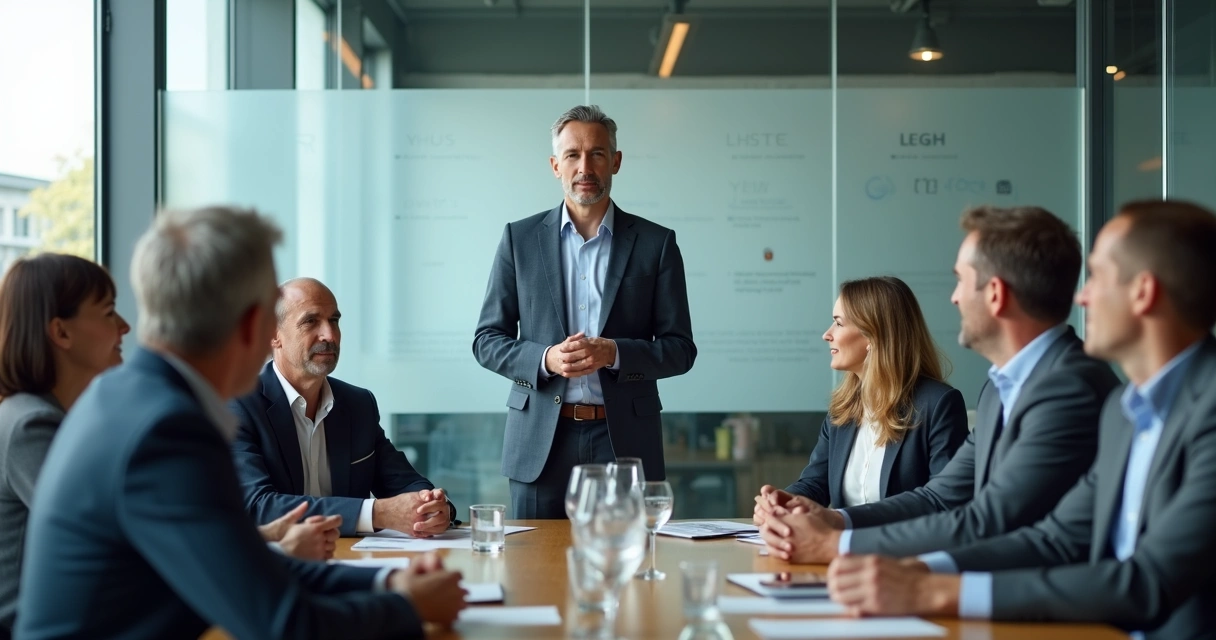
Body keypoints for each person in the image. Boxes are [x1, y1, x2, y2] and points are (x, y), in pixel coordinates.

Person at [17, 206, 466, 640]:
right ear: (256, 324)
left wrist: (387, 582)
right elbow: (282, 626)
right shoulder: (168, 430)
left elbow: (251, 565)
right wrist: (408, 606)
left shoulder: (127, 398)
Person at [825, 200, 1216, 640]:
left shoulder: (1167, 402)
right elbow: (1056, 539)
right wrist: (919, 571)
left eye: (1097, 277)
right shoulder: (1124, 410)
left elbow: (1148, 581)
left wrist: (933, 590)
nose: (1082, 297)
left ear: (1143, 292)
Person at [759, 206, 1119, 563]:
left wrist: (835, 544)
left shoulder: (1068, 389)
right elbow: (939, 497)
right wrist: (835, 520)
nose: (954, 297)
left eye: (960, 280)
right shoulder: (999, 389)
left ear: (995, 293)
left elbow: (988, 519)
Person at [473, 105, 697, 519]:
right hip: (540, 440)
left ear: (616, 161)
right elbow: (486, 340)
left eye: (597, 154)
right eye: (572, 155)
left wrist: (614, 352)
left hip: (624, 442)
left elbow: (681, 349)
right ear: (555, 165)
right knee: (535, 559)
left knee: (625, 556)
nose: (584, 167)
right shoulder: (519, 239)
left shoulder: (657, 243)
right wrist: (546, 359)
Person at [232, 277, 454, 538]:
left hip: (350, 555)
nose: (329, 335)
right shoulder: (239, 405)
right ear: (273, 335)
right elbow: (258, 507)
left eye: (334, 320)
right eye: (310, 321)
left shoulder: (357, 404)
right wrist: (376, 513)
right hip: (279, 559)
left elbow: (402, 481)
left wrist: (435, 507)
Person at [752, 276, 967, 515]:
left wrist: (844, 520)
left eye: (838, 323)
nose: (827, 334)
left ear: (873, 334)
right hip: (840, 537)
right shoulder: (842, 409)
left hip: (899, 540)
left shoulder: (938, 404)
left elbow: (944, 502)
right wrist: (783, 502)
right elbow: (816, 483)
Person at [0, 254, 129, 638]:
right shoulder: (31, 425)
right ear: (61, 332)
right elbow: (109, 536)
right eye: (109, 312)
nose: (125, 326)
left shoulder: (46, 414)